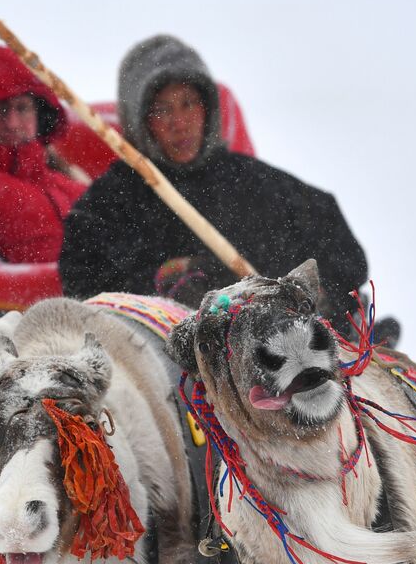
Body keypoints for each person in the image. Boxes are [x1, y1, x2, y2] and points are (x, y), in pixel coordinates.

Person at [59, 35, 384, 339]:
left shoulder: (254, 183)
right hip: (176, 356)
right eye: (162, 109)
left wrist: (313, 295)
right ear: (139, 120)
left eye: (188, 103)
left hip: (283, 347)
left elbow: (342, 254)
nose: (179, 122)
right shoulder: (114, 200)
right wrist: (163, 282)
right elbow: (82, 276)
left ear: (208, 108)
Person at [0, 45, 86, 263]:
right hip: (12, 297)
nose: (13, 123)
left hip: (93, 295)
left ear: (39, 114)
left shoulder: (74, 189)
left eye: (22, 108)